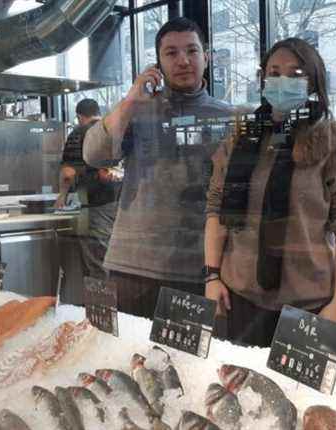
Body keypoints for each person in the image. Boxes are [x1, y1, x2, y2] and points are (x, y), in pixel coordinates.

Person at [204, 38, 336, 347]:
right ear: (263, 78)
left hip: (308, 302)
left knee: (298, 394)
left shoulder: (332, 144)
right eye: (274, 72)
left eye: (296, 73)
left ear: (313, 82)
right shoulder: (240, 141)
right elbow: (216, 209)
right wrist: (211, 276)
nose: (283, 81)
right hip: (239, 295)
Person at [83, 17, 232, 318]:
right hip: (132, 265)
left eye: (192, 51)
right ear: (158, 63)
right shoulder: (137, 111)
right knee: (123, 357)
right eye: (171, 53)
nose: (183, 60)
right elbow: (94, 155)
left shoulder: (228, 118)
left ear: (207, 55)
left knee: (188, 365)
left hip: (196, 269)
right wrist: (130, 102)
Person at [56, 98, 121, 280]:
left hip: (95, 207)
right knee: (115, 262)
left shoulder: (79, 134)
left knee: (98, 265)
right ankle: (119, 307)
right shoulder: (112, 131)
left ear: (79, 116)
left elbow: (68, 173)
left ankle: (102, 307)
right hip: (121, 206)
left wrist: (62, 196)